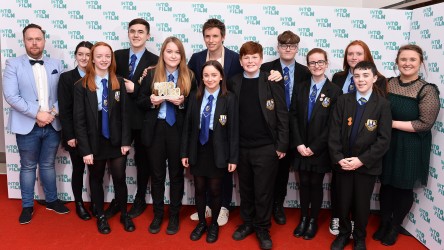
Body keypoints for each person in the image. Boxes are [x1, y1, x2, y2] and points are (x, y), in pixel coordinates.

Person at [187, 18, 282, 226]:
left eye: (215, 36)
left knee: (225, 169)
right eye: (207, 36)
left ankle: (224, 207)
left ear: (223, 37)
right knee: (208, 171)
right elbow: (186, 81)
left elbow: (253, 72)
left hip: (230, 124)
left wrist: (275, 73)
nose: (211, 40)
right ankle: (210, 209)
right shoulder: (196, 58)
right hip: (206, 123)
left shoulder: (233, 58)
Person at [3, 23, 69, 224]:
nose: (34, 42)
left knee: (48, 165)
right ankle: (27, 206)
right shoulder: (13, 64)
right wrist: (37, 114)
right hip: (27, 125)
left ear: (44, 41)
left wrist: (52, 113)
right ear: (24, 41)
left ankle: (52, 200)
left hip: (52, 124)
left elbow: (63, 94)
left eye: (38, 39)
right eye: (30, 39)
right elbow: (11, 96)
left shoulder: (56, 64)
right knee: (28, 166)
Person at [375, 44, 440, 246]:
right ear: (396, 62)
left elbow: (425, 123)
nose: (407, 63)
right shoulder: (387, 83)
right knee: (386, 185)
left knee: (404, 189)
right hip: (387, 143)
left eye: (412, 59)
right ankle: (384, 223)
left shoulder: (427, 89)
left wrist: (390, 124)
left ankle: (395, 226)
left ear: (421, 63)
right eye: (403, 59)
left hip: (411, 146)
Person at [229, 41, 288, 250]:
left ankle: (263, 228)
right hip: (242, 148)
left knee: (263, 191)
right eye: (246, 57)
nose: (250, 61)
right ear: (240, 61)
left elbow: (282, 113)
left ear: (261, 60)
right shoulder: (233, 82)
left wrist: (281, 144)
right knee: (245, 190)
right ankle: (248, 224)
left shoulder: (271, 81)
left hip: (266, 147)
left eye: (255, 57)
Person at [328, 61, 392, 250]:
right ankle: (343, 234)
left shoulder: (383, 105)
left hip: (366, 166)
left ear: (374, 78)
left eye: (365, 76)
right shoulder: (343, 100)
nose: (361, 80)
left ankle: (360, 237)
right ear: (352, 78)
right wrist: (339, 158)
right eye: (357, 76)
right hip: (343, 163)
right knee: (342, 201)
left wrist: (361, 160)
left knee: (362, 204)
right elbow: (333, 132)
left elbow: (384, 140)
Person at [137, 36, 197, 235]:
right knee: (157, 176)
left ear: (182, 55)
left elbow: (195, 107)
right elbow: (140, 100)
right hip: (156, 129)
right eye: (169, 51)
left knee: (177, 175)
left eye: (177, 52)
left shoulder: (189, 75)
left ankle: (173, 216)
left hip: (178, 131)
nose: (173, 55)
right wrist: (152, 101)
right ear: (163, 53)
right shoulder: (152, 73)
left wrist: (182, 102)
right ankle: (157, 214)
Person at [73, 42, 134, 234]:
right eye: (99, 56)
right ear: (92, 58)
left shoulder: (118, 82)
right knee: (96, 178)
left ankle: (124, 214)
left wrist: (126, 141)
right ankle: (100, 216)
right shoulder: (81, 85)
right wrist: (85, 149)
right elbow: (79, 121)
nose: (103, 59)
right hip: (94, 141)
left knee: (119, 178)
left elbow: (126, 114)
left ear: (111, 58)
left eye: (107, 56)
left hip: (116, 140)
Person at [106, 18, 159, 219]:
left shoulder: (156, 61)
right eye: (132, 31)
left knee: (143, 162)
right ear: (128, 34)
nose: (136, 35)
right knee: (116, 164)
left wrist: (135, 89)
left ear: (148, 35)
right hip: (118, 121)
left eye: (140, 32)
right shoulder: (115, 56)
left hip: (144, 120)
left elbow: (154, 93)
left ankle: (139, 199)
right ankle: (118, 201)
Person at [181, 60, 238, 243]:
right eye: (206, 75)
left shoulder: (229, 98)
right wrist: (184, 153)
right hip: (198, 147)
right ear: (201, 77)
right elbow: (188, 128)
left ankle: (213, 224)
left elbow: (233, 131)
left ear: (221, 76)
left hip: (218, 149)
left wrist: (233, 157)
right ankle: (201, 224)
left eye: (214, 75)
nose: (210, 79)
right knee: (199, 188)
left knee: (215, 190)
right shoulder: (194, 97)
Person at [290, 48, 341, 239]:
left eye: (320, 62)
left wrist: (315, 147)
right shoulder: (300, 86)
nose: (316, 66)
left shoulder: (334, 91)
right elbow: (293, 116)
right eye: (312, 62)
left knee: (316, 184)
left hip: (320, 149)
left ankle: (313, 220)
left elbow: (333, 124)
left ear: (326, 64)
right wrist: (299, 144)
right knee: (303, 183)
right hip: (301, 147)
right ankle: (303, 218)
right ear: (308, 65)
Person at [261, 30, 311, 225]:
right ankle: (264, 205)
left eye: (292, 46)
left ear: (297, 48)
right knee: (269, 170)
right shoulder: (266, 68)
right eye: (284, 45)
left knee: (283, 172)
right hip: (272, 128)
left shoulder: (306, 72)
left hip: (297, 129)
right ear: (278, 48)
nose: (288, 49)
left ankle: (277, 205)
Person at [58, 41, 94, 221]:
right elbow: (64, 110)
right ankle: (79, 203)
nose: (84, 58)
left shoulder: (98, 77)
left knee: (96, 171)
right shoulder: (66, 78)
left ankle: (95, 202)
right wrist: (70, 135)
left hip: (95, 135)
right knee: (78, 169)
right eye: (80, 54)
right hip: (75, 135)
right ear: (75, 56)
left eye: (88, 54)